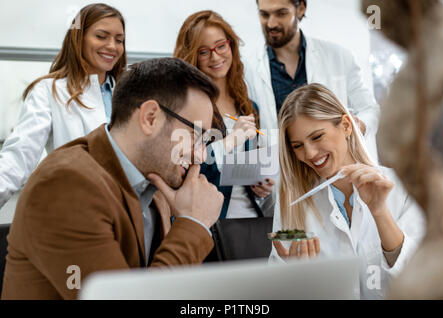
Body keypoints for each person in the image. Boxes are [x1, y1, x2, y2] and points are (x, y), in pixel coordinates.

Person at [1, 58, 224, 300]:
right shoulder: (65, 184)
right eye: (197, 135)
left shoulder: (155, 184)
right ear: (150, 117)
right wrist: (193, 224)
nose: (201, 156)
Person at [270, 83, 425, 299]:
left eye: (317, 137)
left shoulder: (404, 187)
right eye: (298, 146)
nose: (310, 153)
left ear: (345, 126)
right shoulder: (293, 201)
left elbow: (422, 278)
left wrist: (380, 212)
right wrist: (298, 279)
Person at [0, 3, 126, 209]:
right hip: (79, 212)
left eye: (119, 40)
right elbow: (18, 158)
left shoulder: (130, 94)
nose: (113, 46)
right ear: (79, 38)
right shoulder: (49, 91)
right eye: (102, 36)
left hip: (130, 217)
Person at [245, 0, 379, 159]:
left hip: (335, 170)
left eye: (281, 13)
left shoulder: (339, 57)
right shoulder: (248, 69)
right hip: (282, 175)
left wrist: (359, 126)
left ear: (300, 8)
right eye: (264, 14)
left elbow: (370, 110)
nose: (271, 23)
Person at [174, 10, 274, 220]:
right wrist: (230, 142)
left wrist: (257, 186)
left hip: (249, 223)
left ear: (231, 45)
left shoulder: (248, 105)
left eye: (221, 46)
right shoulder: (186, 106)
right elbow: (181, 172)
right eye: (204, 51)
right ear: (192, 56)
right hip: (208, 223)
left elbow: (237, 175)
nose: (215, 56)